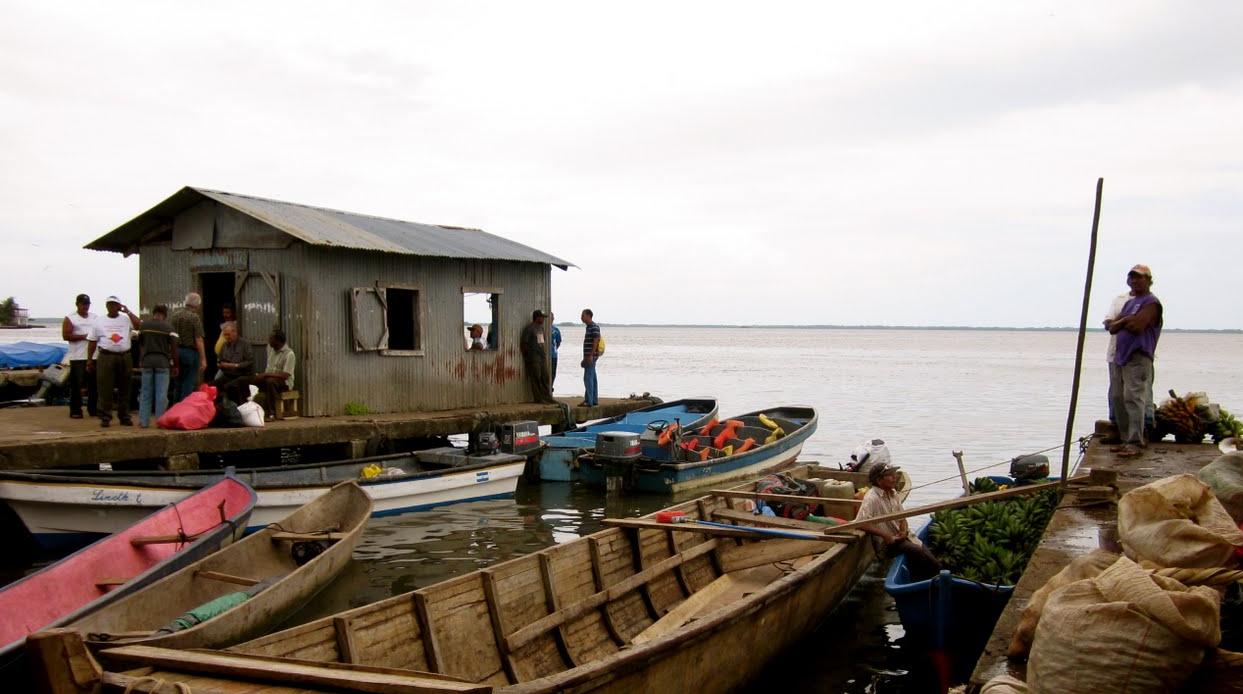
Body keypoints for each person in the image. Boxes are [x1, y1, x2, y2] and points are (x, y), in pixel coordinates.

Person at [1106, 264, 1163, 458]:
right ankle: (1126, 439)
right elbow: (1112, 327)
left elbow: (1137, 326)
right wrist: (1125, 320)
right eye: (1132, 277)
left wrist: (1124, 321)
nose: (1135, 280)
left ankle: (1136, 441)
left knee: (1134, 397)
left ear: (1148, 280)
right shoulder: (1130, 303)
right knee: (1118, 397)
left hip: (1138, 356)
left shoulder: (1151, 303)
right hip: (1121, 356)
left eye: (1139, 277)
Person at [856, 462, 941, 581]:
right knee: (916, 550)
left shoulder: (893, 493)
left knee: (930, 558)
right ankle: (928, 580)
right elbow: (861, 523)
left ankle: (935, 577)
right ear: (879, 480)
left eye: (894, 474)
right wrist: (886, 536)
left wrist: (903, 531)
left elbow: (902, 517)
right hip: (888, 544)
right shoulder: (872, 498)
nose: (894, 477)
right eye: (890, 475)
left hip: (900, 538)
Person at [86, 296, 140, 427]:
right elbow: (92, 341)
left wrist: (128, 311)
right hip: (106, 356)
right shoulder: (99, 321)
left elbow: (139, 326)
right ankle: (105, 416)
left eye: (115, 304)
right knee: (105, 388)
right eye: (110, 304)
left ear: (119, 306)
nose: (112, 307)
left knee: (125, 387)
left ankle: (124, 416)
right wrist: (89, 360)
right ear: (106, 306)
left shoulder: (126, 319)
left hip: (124, 356)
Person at [136, 304, 178, 428]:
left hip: (147, 362)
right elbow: (174, 349)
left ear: (153, 313)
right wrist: (176, 365)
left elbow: (141, 344)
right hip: (162, 363)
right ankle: (160, 422)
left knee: (145, 393)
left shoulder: (144, 326)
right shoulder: (169, 328)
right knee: (161, 394)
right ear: (165, 315)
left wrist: (141, 360)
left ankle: (143, 421)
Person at [62, 293, 97, 419]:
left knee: (94, 384)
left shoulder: (95, 317)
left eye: (87, 304)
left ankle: (93, 409)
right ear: (77, 304)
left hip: (94, 355)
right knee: (77, 385)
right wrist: (84, 336)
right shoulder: (71, 318)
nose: (85, 306)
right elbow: (66, 335)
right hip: (78, 356)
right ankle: (76, 410)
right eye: (83, 304)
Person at [251, 328, 296, 420]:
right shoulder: (271, 350)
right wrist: (261, 376)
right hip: (270, 379)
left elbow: (285, 375)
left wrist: (266, 374)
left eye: (271, 339)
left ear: (278, 341)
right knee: (251, 379)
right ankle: (252, 410)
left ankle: (272, 413)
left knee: (270, 382)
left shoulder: (289, 354)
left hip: (285, 383)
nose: (269, 340)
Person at [170, 293, 207, 401]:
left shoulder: (174, 316)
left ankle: (176, 407)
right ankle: (185, 407)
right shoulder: (194, 317)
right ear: (197, 305)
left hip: (176, 351)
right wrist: (203, 359)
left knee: (178, 383)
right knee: (188, 383)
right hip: (190, 353)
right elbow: (198, 339)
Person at [520, 310, 557, 405]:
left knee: (545, 377)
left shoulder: (541, 328)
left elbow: (542, 342)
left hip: (542, 357)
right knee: (536, 377)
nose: (543, 319)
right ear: (537, 318)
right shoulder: (529, 329)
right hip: (533, 358)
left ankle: (547, 397)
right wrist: (528, 357)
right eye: (542, 317)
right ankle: (539, 398)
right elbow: (524, 344)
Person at [213, 321, 254, 403]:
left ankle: (236, 407)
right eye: (225, 335)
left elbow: (250, 362)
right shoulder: (224, 345)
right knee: (212, 386)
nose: (226, 337)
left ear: (235, 332)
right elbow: (220, 360)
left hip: (242, 374)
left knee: (230, 387)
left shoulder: (245, 344)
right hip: (228, 374)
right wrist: (220, 364)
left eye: (228, 334)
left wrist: (234, 365)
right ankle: (220, 407)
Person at [580, 308, 601, 407]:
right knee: (592, 377)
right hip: (588, 356)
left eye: (583, 315)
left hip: (591, 356)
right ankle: (593, 400)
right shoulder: (589, 327)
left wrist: (591, 355)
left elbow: (596, 341)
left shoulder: (594, 327)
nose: (581, 317)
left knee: (588, 378)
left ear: (588, 316)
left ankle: (589, 401)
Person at [549, 314, 562, 392]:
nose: (552, 318)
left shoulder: (556, 330)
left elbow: (558, 342)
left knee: (553, 373)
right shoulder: (542, 328)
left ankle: (551, 387)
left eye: (552, 317)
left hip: (553, 355)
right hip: (545, 356)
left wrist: (554, 349)